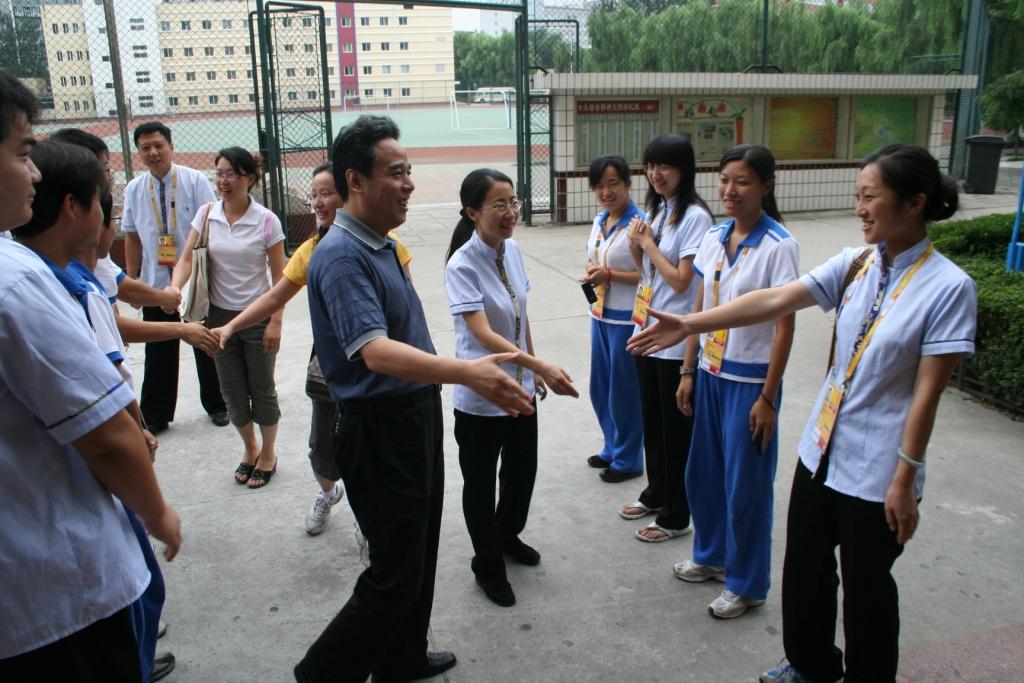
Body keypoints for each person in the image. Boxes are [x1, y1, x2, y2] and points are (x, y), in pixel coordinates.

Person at [627, 144, 976, 682]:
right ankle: (811, 665)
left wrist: (905, 476)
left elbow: (927, 395)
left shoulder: (949, 287)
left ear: (914, 203)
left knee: (865, 589)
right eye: (858, 195)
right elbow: (775, 301)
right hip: (821, 451)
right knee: (807, 568)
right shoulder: (856, 263)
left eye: (871, 196)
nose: (860, 207)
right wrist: (689, 327)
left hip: (878, 468)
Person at [295, 115, 533, 683]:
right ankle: (321, 674)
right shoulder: (343, 255)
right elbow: (373, 352)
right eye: (396, 173)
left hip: (412, 415)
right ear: (356, 180)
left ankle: (401, 659)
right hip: (379, 427)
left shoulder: (379, 243)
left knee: (419, 552)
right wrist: (466, 373)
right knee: (394, 571)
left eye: (409, 172)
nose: (408, 184)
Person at [0, 67, 181, 681]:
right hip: (59, 591)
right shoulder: (19, 280)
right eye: (24, 152)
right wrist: (159, 513)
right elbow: (105, 433)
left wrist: (174, 311)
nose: (32, 173)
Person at [210, 163, 414, 533]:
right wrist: (233, 325)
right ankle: (328, 493)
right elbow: (274, 297)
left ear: (349, 193)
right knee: (323, 451)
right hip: (332, 369)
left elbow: (406, 306)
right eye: (314, 195)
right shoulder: (312, 250)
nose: (318, 203)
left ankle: (372, 520)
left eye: (326, 194)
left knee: (375, 452)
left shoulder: (387, 244)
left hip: (379, 366)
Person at [671, 144, 798, 619]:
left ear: (765, 185)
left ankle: (748, 584)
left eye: (742, 181)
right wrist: (688, 370)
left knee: (746, 487)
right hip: (710, 374)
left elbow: (785, 324)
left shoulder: (778, 245)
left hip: (750, 384)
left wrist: (768, 396)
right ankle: (712, 557)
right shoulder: (715, 236)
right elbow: (698, 313)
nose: (730, 190)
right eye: (724, 179)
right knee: (703, 474)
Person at [444, 169, 578, 607]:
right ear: (473, 212)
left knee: (521, 476)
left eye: (514, 202)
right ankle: (487, 565)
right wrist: (538, 363)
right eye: (499, 205)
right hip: (481, 395)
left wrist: (532, 368)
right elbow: (483, 333)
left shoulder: (514, 250)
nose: (510, 212)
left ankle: (506, 536)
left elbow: (521, 316)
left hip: (520, 388)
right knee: (480, 487)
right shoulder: (462, 264)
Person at [172, 147, 286, 489]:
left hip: (259, 315)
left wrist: (276, 321)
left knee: (262, 389)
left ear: (250, 178)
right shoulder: (207, 214)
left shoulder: (267, 220)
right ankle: (250, 448)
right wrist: (175, 287)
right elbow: (187, 259)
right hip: (217, 318)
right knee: (232, 391)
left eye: (231, 174)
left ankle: (268, 453)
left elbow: (281, 277)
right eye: (218, 173)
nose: (223, 181)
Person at [621, 134, 713, 544]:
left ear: (685, 169)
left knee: (676, 431)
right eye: (651, 165)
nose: (656, 174)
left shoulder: (694, 215)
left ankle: (677, 515)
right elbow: (651, 275)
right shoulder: (658, 210)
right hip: (647, 328)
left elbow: (681, 278)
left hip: (676, 337)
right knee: (653, 422)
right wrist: (637, 247)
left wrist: (648, 244)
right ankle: (657, 492)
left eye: (666, 166)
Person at [122, 120, 227, 433]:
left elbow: (212, 227)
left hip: (195, 282)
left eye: (158, 145)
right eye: (145, 148)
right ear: (138, 152)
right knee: (158, 349)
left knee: (205, 343)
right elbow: (131, 237)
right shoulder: (135, 188)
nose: (153, 152)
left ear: (170, 146)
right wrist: (133, 283)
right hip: (155, 282)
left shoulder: (194, 181)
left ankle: (219, 404)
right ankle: (155, 415)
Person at [579, 155, 646, 484]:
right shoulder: (600, 220)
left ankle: (629, 457)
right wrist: (595, 273)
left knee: (624, 391)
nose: (606, 191)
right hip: (600, 315)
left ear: (628, 184)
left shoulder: (639, 225)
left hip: (626, 320)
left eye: (613, 184)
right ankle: (611, 445)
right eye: (599, 185)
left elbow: (648, 275)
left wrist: (609, 275)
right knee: (600, 386)